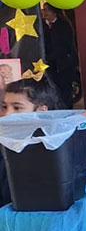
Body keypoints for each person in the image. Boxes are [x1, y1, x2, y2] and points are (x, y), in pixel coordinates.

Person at [1, 75, 62, 206]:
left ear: (41, 111)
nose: (6, 114)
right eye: (4, 107)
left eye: (17, 108)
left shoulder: (54, 147)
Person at [41, 2, 81, 108]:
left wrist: (48, 57)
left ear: (54, 12)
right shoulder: (43, 25)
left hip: (64, 63)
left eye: (46, 10)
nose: (44, 12)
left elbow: (62, 47)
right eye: (43, 10)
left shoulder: (63, 25)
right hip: (51, 64)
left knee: (65, 89)